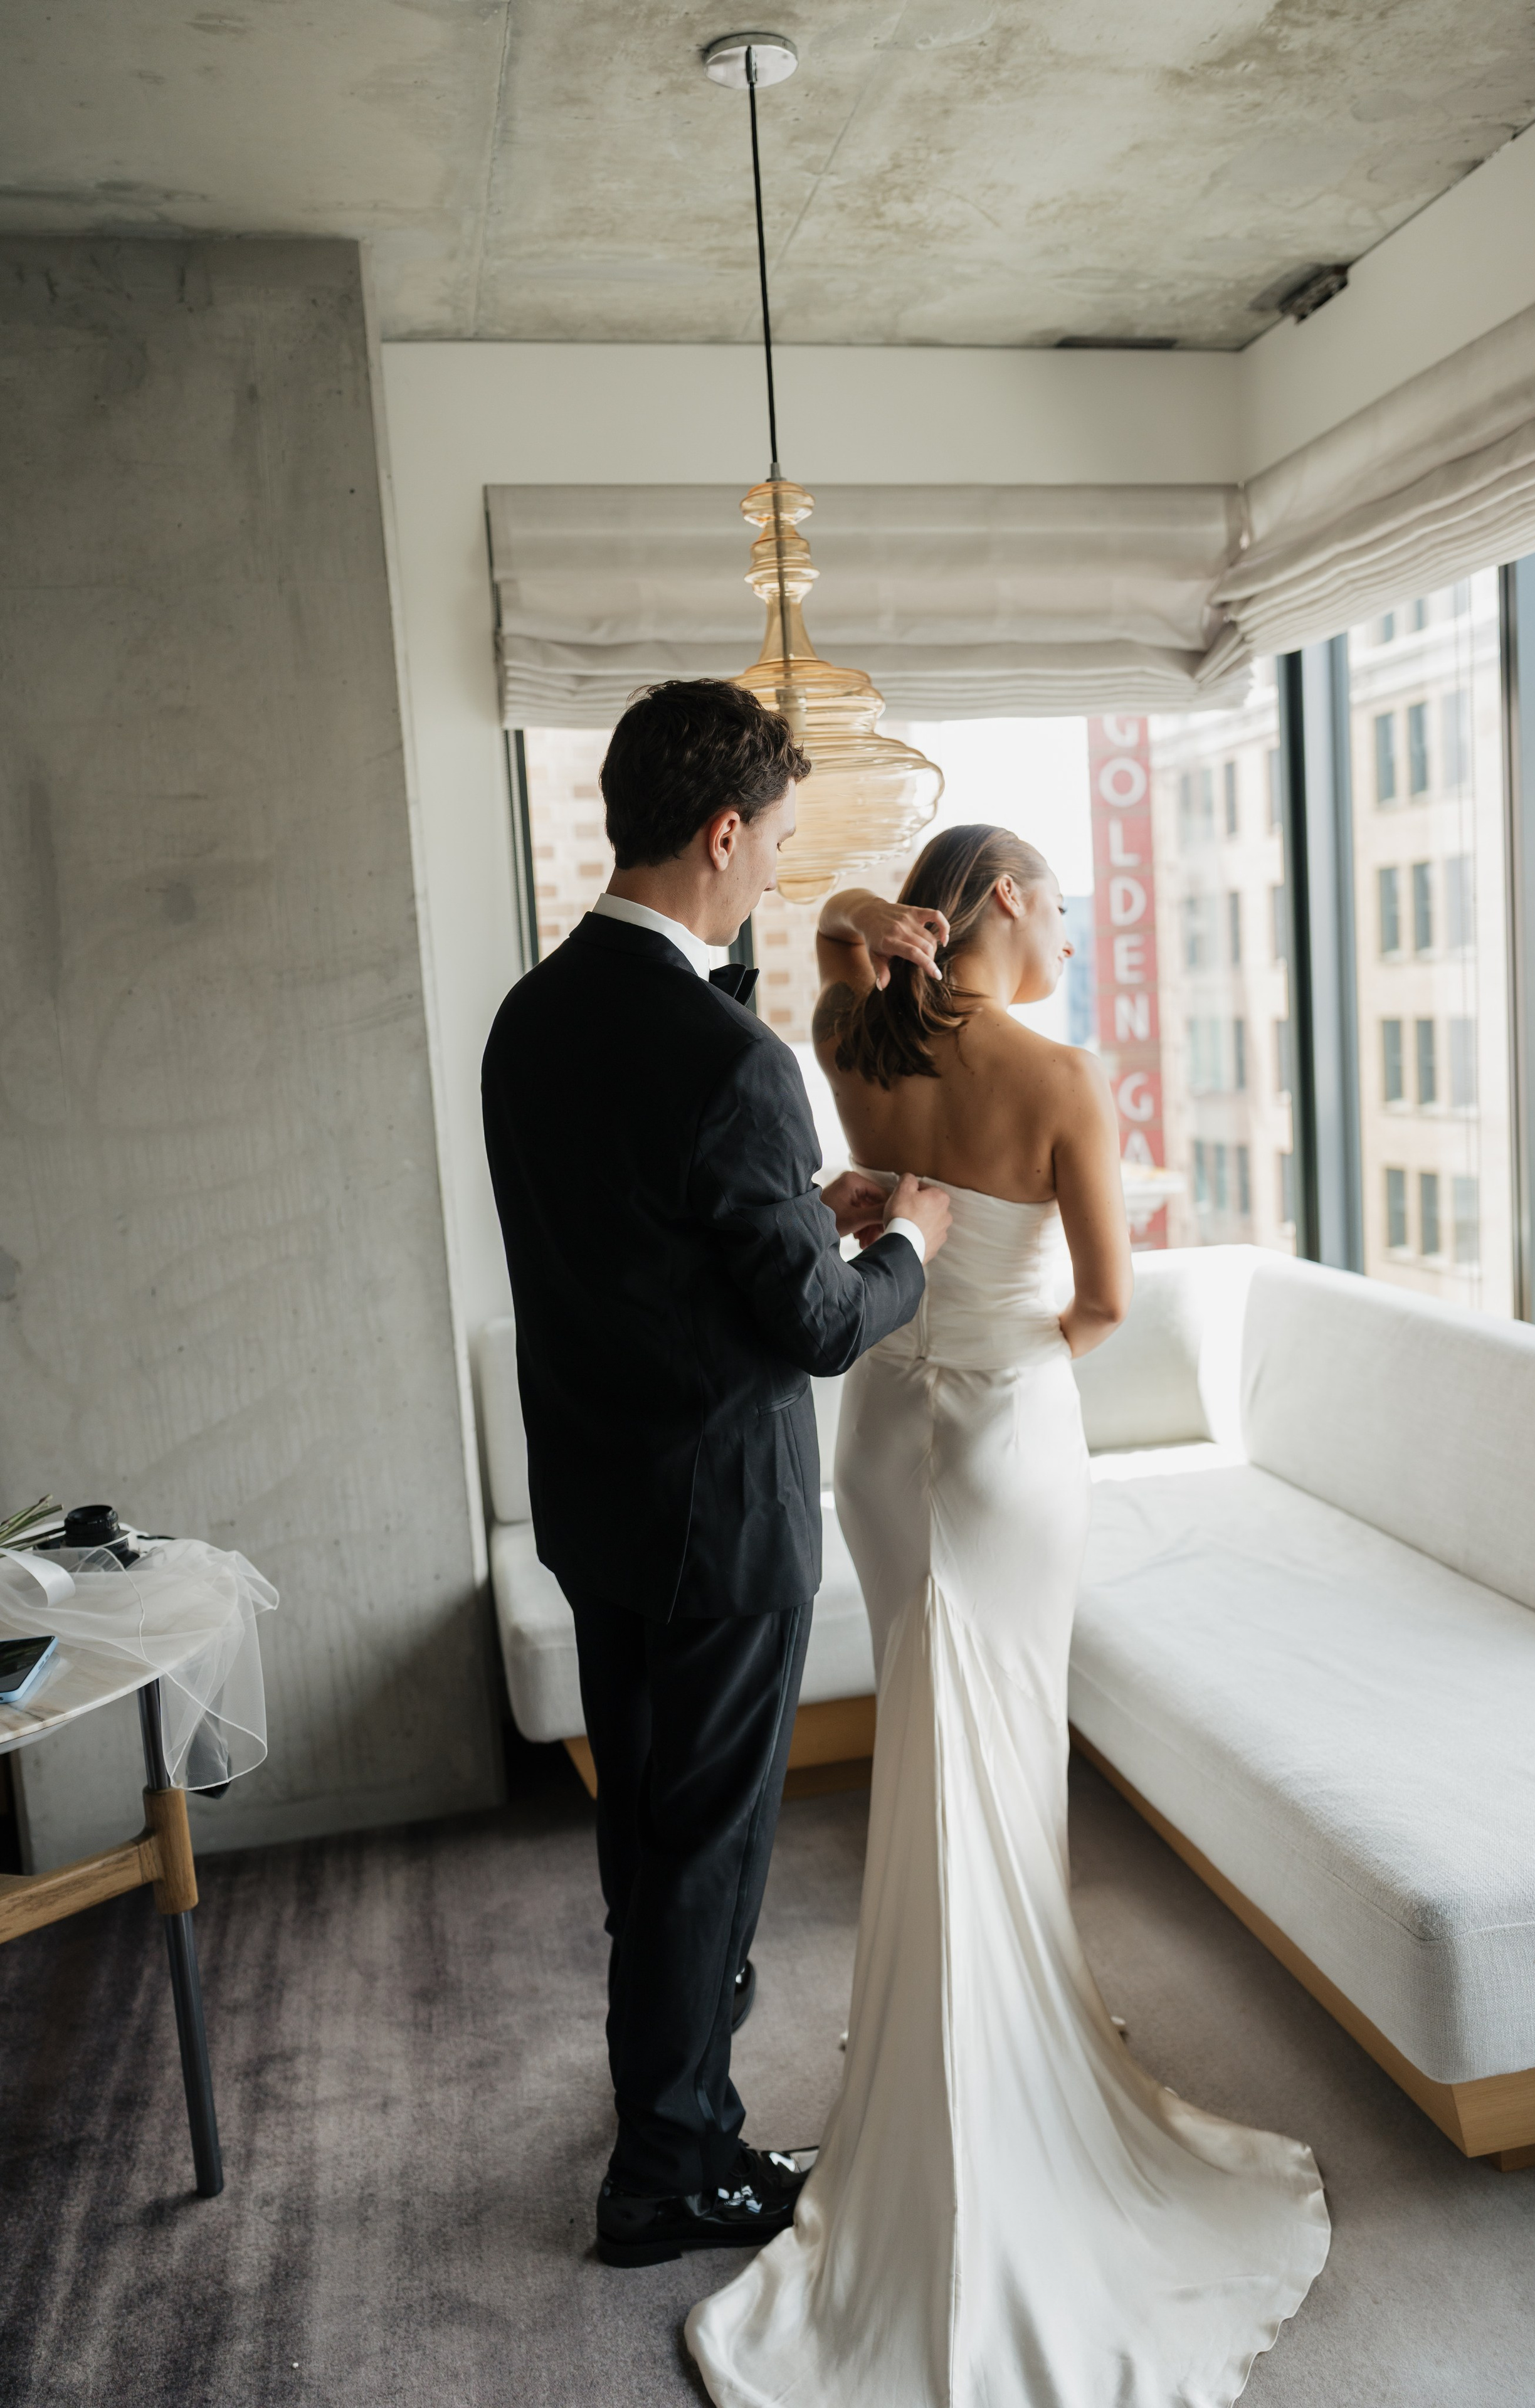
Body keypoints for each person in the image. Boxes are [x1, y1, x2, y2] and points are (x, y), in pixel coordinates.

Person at [687, 825, 1329, 2405]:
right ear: (997, 908)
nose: (1071, 926)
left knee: (926, 1740)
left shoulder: (849, 1036)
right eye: (1057, 902)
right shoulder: (1056, 1077)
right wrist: (1007, 1346)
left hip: (881, 1452)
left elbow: (831, 936)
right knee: (1001, 1756)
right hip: (1004, 1438)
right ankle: (1002, 2054)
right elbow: (1104, 1300)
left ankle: (939, 2054)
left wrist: (862, 919)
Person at [481, 681, 951, 2273]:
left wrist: (794, 1201)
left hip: (599, 1509)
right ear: (723, 830)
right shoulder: (728, 1061)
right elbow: (816, 1330)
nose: (777, 874)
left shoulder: (533, 1017)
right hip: (716, 1525)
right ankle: (667, 2171)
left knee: (647, 1838)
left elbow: (645, 1242)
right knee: (707, 1851)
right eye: (775, 848)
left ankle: (666, 2079)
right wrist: (902, 1245)